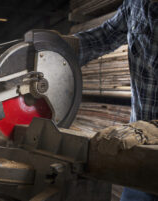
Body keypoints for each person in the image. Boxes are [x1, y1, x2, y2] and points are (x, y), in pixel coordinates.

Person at [67, 0, 158, 200]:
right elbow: (105, 36)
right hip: (143, 153)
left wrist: (153, 129)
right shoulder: (137, 4)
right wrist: (60, 48)